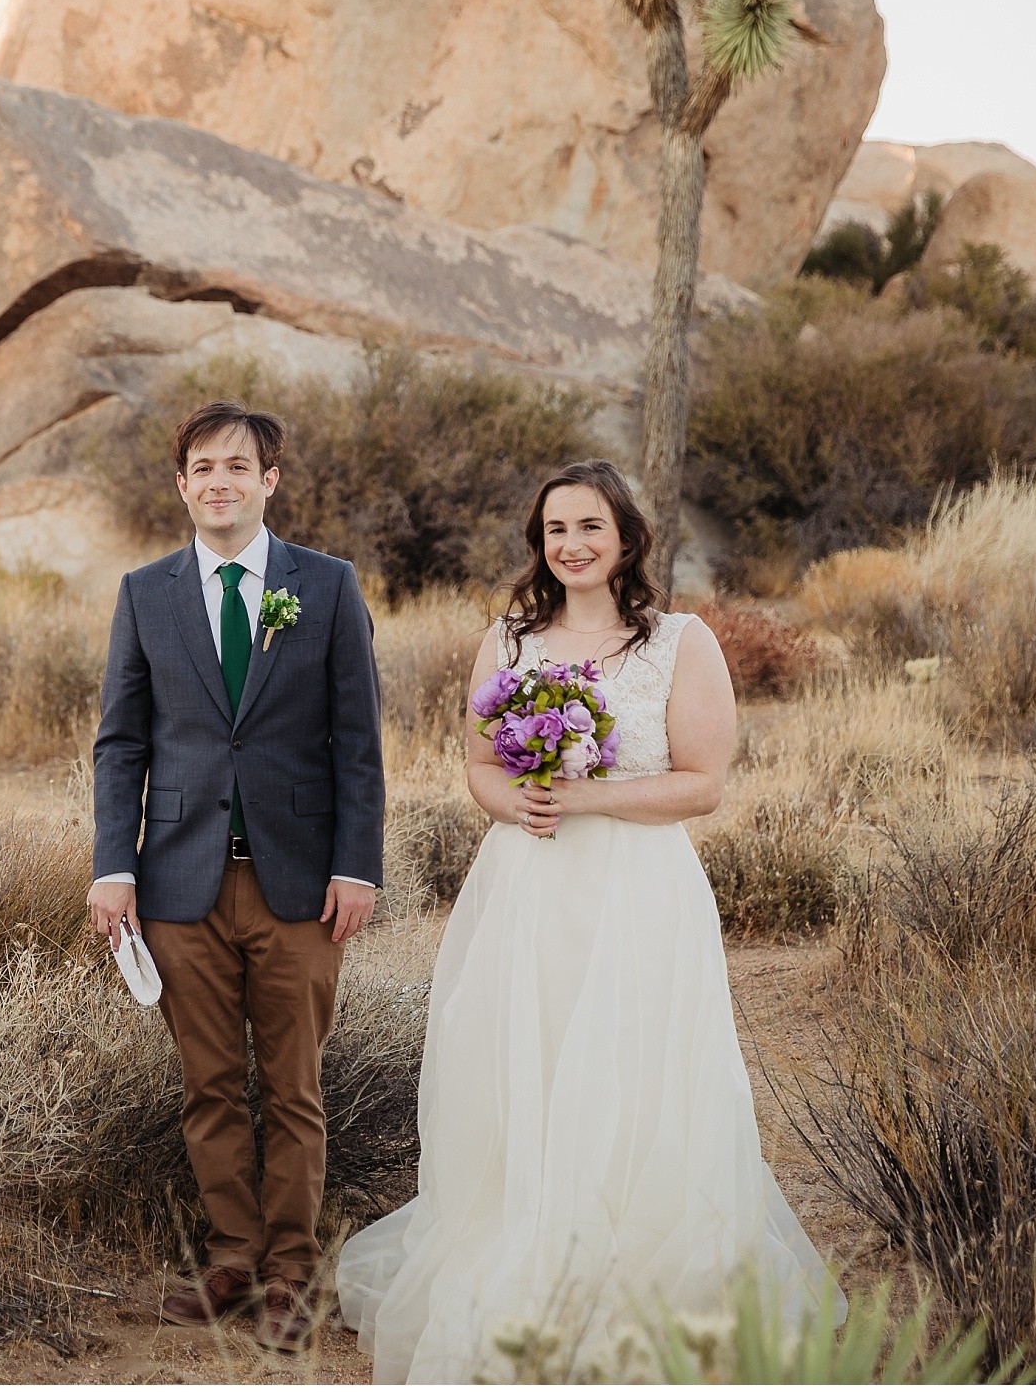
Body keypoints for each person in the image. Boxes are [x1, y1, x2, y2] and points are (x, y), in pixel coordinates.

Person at [333, 459, 837, 1381]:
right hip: (529, 883)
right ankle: (526, 1244)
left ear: (627, 539)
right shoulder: (511, 640)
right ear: (540, 542)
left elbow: (703, 783)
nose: (572, 545)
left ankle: (639, 1262)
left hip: (638, 887)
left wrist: (590, 794)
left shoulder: (681, 641)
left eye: (591, 528)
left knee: (637, 1064)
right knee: (530, 1057)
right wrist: (510, 800)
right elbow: (478, 764)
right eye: (556, 529)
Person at [87, 400, 387, 1350]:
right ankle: (230, 1259)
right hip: (177, 885)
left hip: (302, 884)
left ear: (271, 479)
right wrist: (113, 867)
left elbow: (360, 745)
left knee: (293, 1086)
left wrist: (357, 863)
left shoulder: (328, 586)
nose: (219, 481)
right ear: (181, 486)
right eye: (201, 468)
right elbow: (121, 744)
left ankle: (293, 1275)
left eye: (237, 466)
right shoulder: (144, 593)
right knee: (209, 1084)